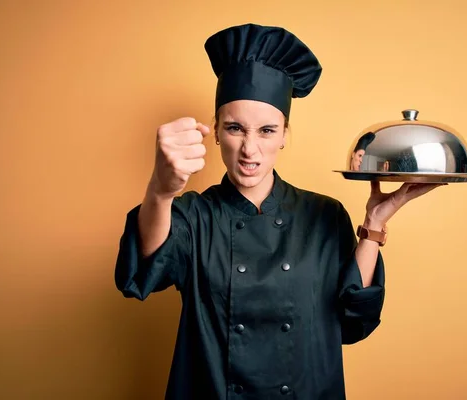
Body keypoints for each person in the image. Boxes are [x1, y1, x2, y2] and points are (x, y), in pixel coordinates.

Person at [115, 23, 443, 399]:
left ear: (286, 134)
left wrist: (374, 223)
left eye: (267, 130)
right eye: (236, 128)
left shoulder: (324, 215)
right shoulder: (194, 216)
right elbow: (144, 272)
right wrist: (161, 189)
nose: (249, 150)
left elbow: (354, 322)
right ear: (217, 131)